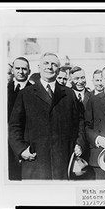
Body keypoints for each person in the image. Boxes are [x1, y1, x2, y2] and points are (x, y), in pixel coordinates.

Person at [8, 52, 86, 180]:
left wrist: (80, 143)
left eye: (54, 64)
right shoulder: (25, 94)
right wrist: (21, 149)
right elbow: (14, 126)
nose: (49, 67)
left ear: (59, 70)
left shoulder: (69, 94)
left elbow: (80, 121)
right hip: (35, 161)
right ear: (39, 67)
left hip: (63, 161)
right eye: (46, 63)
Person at [7, 57, 32, 180]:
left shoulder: (34, 92)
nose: (21, 72)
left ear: (29, 71)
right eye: (17, 68)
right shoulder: (3, 90)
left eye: (24, 69)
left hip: (25, 143)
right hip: (6, 143)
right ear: (12, 70)